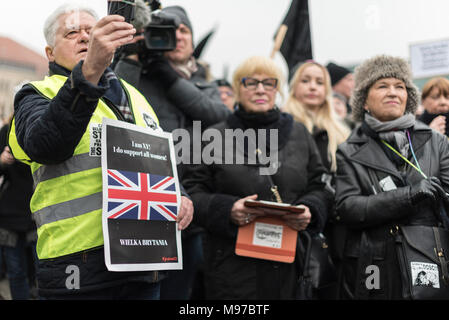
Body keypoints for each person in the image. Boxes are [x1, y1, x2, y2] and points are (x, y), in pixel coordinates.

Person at [8, 4, 193, 299]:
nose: (85, 38)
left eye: (91, 31)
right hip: (78, 265)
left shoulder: (136, 96)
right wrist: (89, 72)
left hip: (145, 262)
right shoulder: (35, 94)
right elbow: (46, 146)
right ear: (50, 53)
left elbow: (155, 158)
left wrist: (179, 194)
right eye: (72, 33)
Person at [182, 56, 333, 299]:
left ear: (278, 89)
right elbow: (192, 192)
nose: (260, 89)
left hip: (291, 264)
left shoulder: (299, 133)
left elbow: (321, 185)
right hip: (232, 266)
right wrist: (227, 209)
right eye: (250, 83)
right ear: (237, 90)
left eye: (269, 83)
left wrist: (310, 209)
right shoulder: (212, 136)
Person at [114, 4, 230, 300]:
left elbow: (214, 115)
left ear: (192, 39)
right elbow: (115, 107)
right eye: (169, 31)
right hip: (141, 206)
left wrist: (166, 73)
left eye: (184, 30)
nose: (177, 37)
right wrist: (130, 56)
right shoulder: (139, 75)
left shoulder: (205, 83)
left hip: (192, 212)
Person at [334, 55, 449, 299]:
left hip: (428, 254)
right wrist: (408, 196)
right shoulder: (349, 149)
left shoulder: (436, 141)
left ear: (409, 97)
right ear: (364, 100)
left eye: (400, 86)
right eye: (382, 86)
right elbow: (348, 207)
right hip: (375, 262)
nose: (393, 93)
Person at [283, 60, 350, 174]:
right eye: (305, 81)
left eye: (320, 82)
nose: (313, 87)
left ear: (327, 90)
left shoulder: (342, 131)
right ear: (293, 86)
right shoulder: (282, 126)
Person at [0, 115, 37, 300]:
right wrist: (2, 159)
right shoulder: (6, 132)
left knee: (41, 270)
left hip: (37, 212)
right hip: (10, 214)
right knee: (15, 271)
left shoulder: (41, 128)